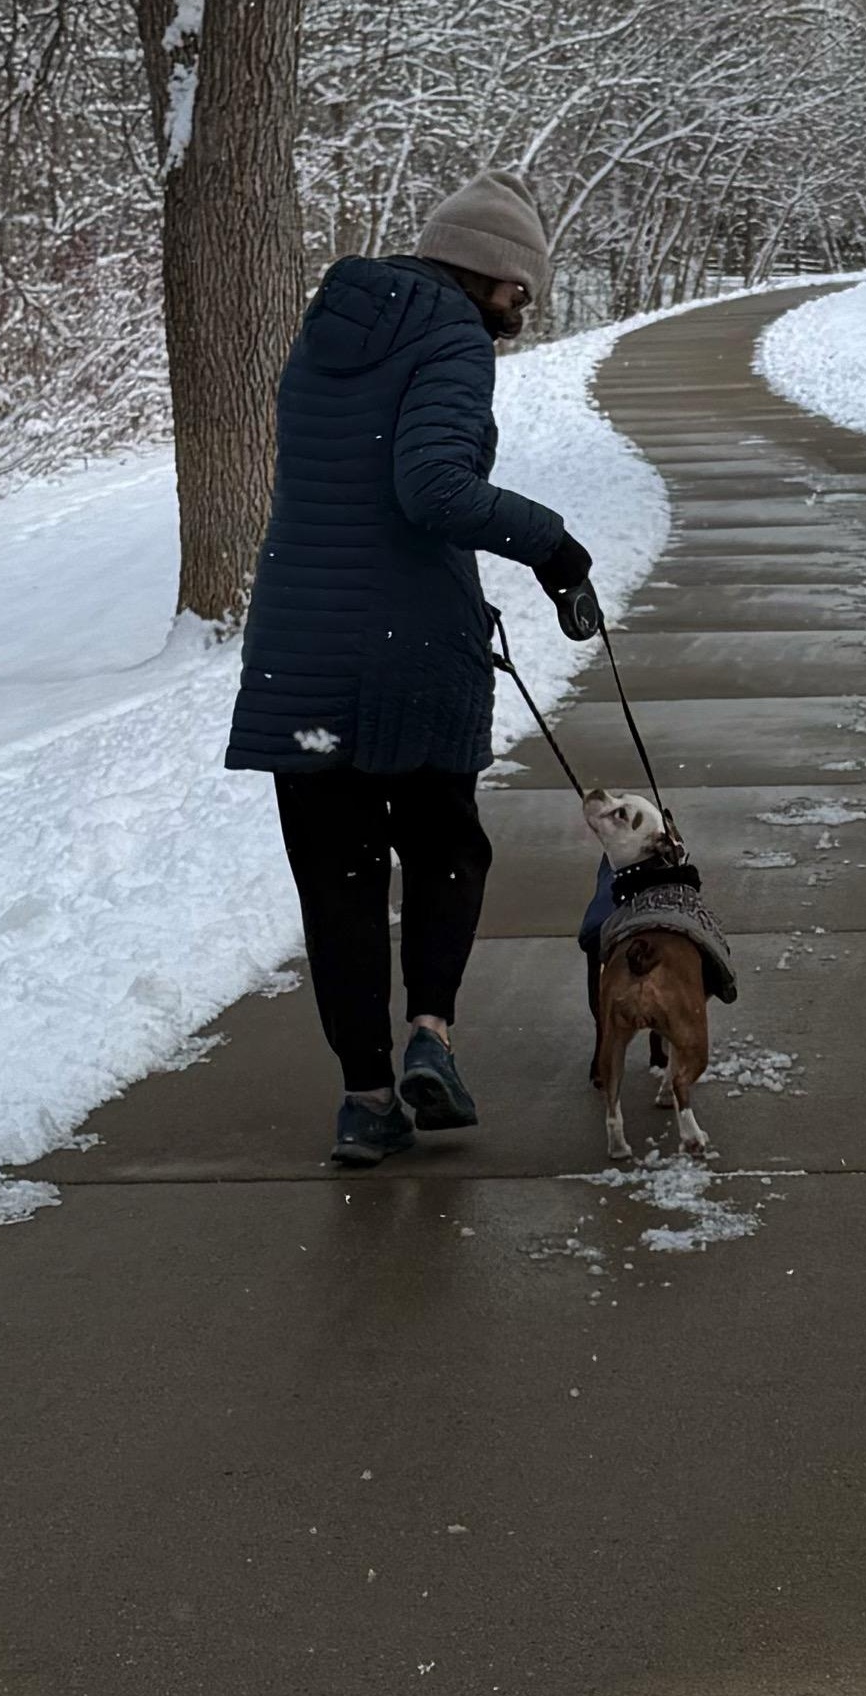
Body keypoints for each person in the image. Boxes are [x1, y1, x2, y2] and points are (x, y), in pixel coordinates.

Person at [225, 174, 600, 1167]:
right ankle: (430, 1034)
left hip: (300, 665)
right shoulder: (450, 339)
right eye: (521, 290)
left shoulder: (325, 334)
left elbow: (349, 489)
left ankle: (365, 1098)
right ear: (488, 275)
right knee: (444, 850)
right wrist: (554, 547)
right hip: (408, 657)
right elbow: (431, 487)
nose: (524, 310)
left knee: (340, 882)